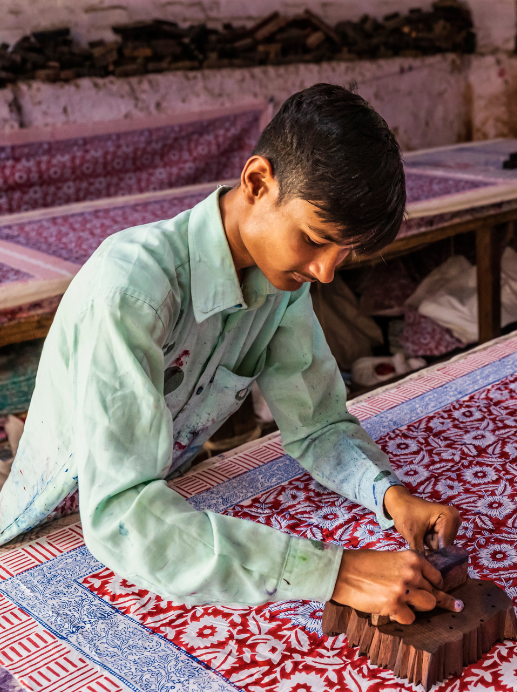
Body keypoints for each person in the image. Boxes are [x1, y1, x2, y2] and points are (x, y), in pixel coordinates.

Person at [0, 84, 462, 625]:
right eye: (315, 239)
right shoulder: (130, 292)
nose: (326, 272)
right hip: (50, 534)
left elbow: (316, 425)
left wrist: (389, 496)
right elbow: (119, 513)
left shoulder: (282, 288)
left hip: (162, 511)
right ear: (258, 181)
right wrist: (335, 572)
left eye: (344, 252)